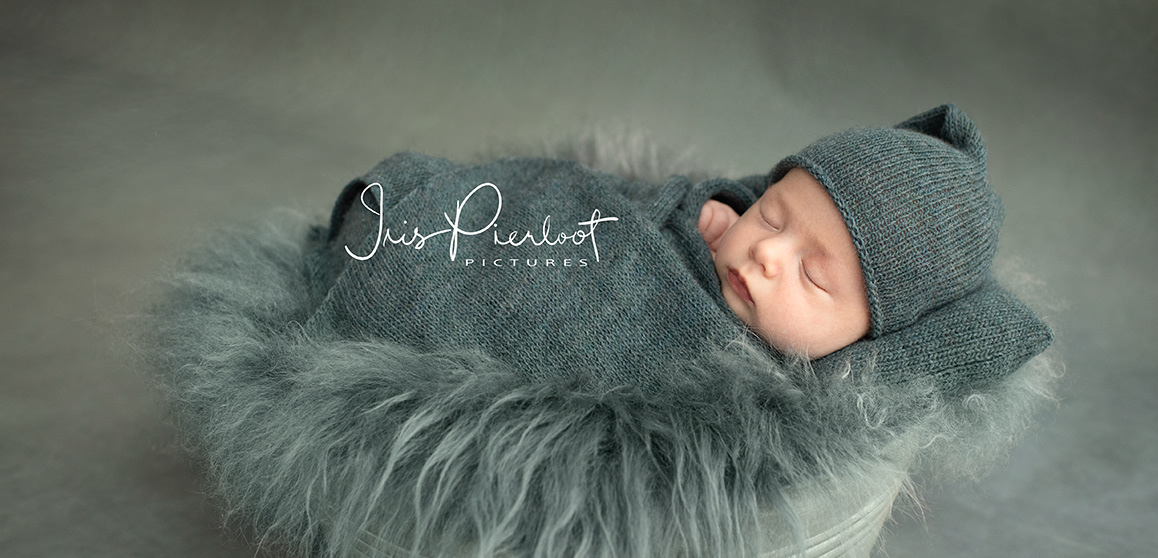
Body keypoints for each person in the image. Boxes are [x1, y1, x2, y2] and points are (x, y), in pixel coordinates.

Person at [306, 104, 1050, 395]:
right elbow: (684, 208)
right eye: (774, 216)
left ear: (869, 333)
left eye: (813, 276)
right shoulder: (724, 229)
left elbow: (984, 339)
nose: (768, 256)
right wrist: (709, 217)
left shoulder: (837, 373)